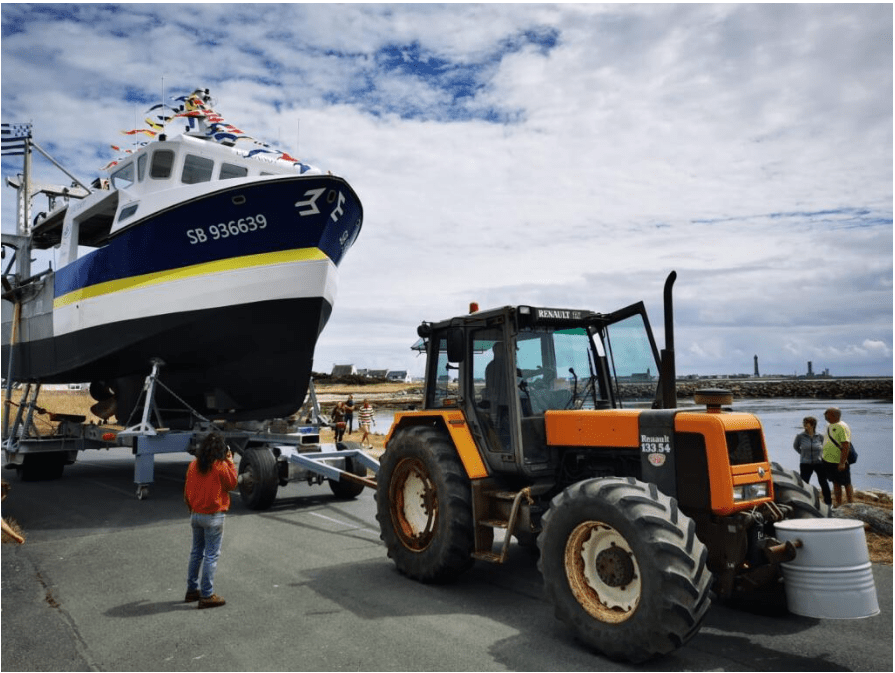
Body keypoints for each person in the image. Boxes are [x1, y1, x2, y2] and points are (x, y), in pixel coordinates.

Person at [184, 432, 238, 609]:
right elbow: (232, 483)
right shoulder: (220, 465)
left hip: (196, 514)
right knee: (211, 556)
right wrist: (230, 460)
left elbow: (187, 492)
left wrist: (192, 509)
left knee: (196, 552)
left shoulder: (193, 465)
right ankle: (207, 595)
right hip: (213, 516)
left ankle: (192, 590)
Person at [792, 416, 831, 506]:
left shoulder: (820, 436)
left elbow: (824, 448)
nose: (804, 425)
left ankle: (828, 503)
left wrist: (821, 457)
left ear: (813, 425)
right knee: (804, 484)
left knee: (823, 483)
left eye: (806, 423)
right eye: (804, 423)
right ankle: (804, 502)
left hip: (819, 463)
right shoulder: (800, 436)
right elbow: (796, 447)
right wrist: (803, 454)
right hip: (805, 463)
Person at [821, 407, 854, 506]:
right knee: (835, 482)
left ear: (834, 415)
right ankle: (838, 503)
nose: (825, 416)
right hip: (828, 460)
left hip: (838, 460)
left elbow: (845, 445)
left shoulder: (842, 427)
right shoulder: (828, 425)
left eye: (827, 414)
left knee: (846, 482)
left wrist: (842, 462)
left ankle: (850, 503)